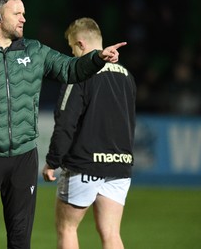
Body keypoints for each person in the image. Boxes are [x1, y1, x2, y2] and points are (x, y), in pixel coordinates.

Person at [0, 0, 126, 249]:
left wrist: (97, 59)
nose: (24, 18)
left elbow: (71, 68)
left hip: (24, 158)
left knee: (21, 240)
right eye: (18, 13)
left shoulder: (35, 52)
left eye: (24, 13)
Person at [42, 18, 136, 249]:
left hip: (84, 164)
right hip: (119, 164)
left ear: (81, 44)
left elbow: (66, 122)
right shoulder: (126, 75)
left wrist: (52, 161)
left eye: (72, 48)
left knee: (68, 228)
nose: (72, 54)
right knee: (112, 234)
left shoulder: (79, 73)